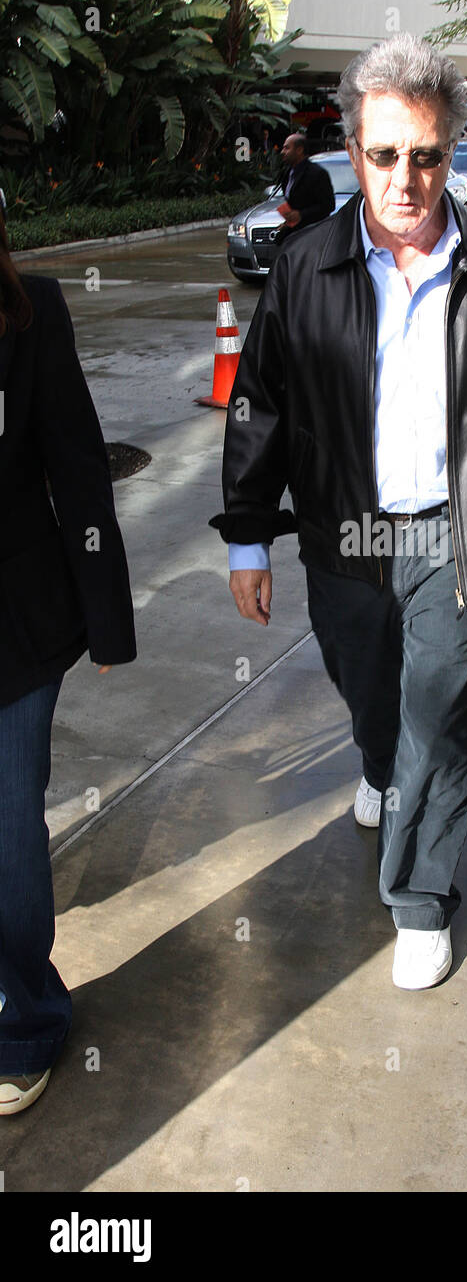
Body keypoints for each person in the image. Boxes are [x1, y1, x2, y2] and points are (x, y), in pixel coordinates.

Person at [210, 33, 467, 991]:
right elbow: (261, 405)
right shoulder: (304, 270)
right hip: (346, 536)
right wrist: (248, 536)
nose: (406, 179)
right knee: (377, 701)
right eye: (384, 156)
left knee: (442, 712)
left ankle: (420, 899)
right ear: (355, 150)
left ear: (452, 150)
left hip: (455, 536)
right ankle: (378, 766)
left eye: (426, 155)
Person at [0, 221, 136, 1115]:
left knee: (10, 827)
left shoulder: (31, 313)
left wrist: (107, 620)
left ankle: (26, 1024)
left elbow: (78, 469)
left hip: (16, 630)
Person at [274, 133, 335, 243]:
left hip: (312, 235)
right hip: (293, 234)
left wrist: (301, 215)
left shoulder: (317, 173)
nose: (283, 152)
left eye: (287, 148)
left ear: (299, 150)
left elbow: (328, 206)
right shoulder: (287, 173)